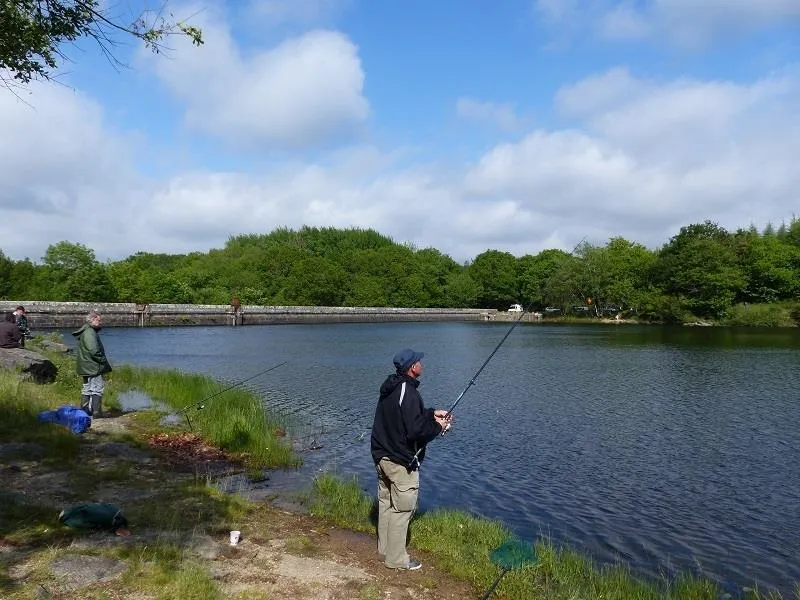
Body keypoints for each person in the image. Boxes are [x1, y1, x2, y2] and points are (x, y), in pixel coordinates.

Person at [370, 348, 452, 571]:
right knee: (403, 509)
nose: (421, 363)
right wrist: (439, 426)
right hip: (399, 461)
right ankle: (396, 560)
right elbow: (416, 430)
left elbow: (406, 415)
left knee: (387, 503)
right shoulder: (408, 391)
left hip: (382, 456)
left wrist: (432, 413)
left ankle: (385, 550)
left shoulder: (393, 386)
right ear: (412, 367)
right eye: (419, 361)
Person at [72, 310, 112, 418]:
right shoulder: (90, 332)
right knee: (97, 388)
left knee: (87, 388)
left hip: (86, 366)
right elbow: (94, 350)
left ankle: (85, 411)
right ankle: (96, 412)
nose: (100, 322)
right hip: (93, 366)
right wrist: (103, 360)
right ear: (93, 320)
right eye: (99, 320)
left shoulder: (87, 331)